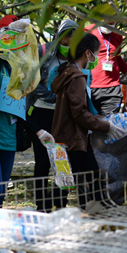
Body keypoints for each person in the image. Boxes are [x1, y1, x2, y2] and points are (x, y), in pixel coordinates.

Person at [0, 15, 54, 208]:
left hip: (8, 137)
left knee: (1, 192)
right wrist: (4, 34)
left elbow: (17, 107)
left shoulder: (17, 70)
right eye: (13, 35)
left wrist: (39, 131)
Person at [51, 32, 127, 206]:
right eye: (96, 53)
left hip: (65, 137)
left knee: (68, 180)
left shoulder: (66, 72)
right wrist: (107, 126)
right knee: (84, 180)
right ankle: (91, 211)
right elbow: (80, 114)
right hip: (73, 140)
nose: (96, 58)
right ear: (87, 53)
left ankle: (83, 211)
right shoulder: (77, 78)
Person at [26, 19, 78, 210]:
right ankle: (41, 205)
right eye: (65, 40)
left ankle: (60, 202)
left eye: (72, 41)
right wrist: (54, 97)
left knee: (63, 160)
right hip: (41, 112)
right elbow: (33, 84)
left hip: (64, 116)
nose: (67, 44)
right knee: (42, 163)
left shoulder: (76, 57)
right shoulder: (45, 52)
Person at [85, 23, 127, 115]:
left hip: (112, 89)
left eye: (112, 22)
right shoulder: (87, 32)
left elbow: (117, 58)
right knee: (91, 124)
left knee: (109, 124)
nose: (110, 24)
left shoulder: (117, 35)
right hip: (91, 87)